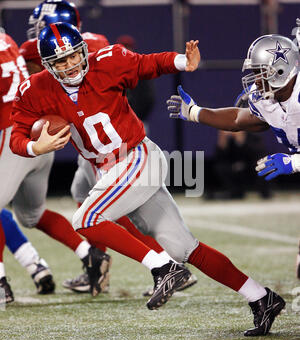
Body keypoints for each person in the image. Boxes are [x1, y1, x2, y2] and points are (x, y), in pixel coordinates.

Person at [9, 22, 285, 337]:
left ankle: (162, 267)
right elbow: (17, 134)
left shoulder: (107, 61)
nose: (70, 65)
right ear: (48, 66)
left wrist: (183, 61)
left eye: (73, 56)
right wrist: (35, 146)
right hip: (110, 169)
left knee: (85, 217)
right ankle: (262, 297)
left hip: (136, 157)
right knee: (185, 247)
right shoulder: (36, 89)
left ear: (83, 52)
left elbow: (147, 64)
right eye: (60, 61)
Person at [21, 0, 197, 296]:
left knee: (108, 209)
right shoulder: (89, 41)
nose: (37, 32)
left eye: (41, 26)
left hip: (102, 146)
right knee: (82, 193)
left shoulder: (78, 49)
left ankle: (167, 265)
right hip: (90, 140)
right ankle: (97, 263)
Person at [167, 32, 300, 277]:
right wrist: (196, 112)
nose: (256, 80)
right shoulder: (269, 99)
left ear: (282, 70)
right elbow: (239, 119)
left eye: (262, 72)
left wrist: (294, 161)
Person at [0, 27, 113, 302]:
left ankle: (1, 283)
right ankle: (90, 256)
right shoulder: (8, 40)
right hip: (41, 133)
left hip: (14, 137)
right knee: (32, 214)